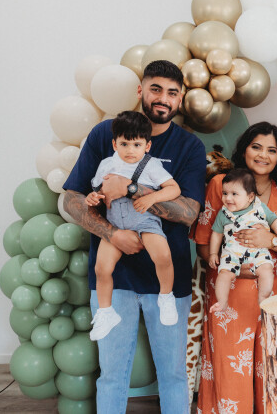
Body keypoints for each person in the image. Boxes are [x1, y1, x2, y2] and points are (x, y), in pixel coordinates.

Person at [63, 60, 206, 414]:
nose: (163, 98)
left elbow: (189, 212)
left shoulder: (189, 146)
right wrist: (114, 235)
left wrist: (131, 189)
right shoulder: (105, 134)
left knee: (174, 375)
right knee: (111, 376)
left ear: (180, 98)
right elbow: (72, 198)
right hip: (116, 279)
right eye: (156, 89)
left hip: (168, 283)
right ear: (141, 90)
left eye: (172, 92)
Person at [194, 122, 277, 414]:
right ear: (244, 150)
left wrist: (271, 241)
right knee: (231, 374)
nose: (263, 155)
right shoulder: (222, 185)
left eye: (272, 150)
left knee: (275, 373)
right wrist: (239, 270)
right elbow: (204, 244)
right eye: (256, 147)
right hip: (230, 296)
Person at [86, 111, 181, 340]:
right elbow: (98, 190)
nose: (130, 150)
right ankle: (106, 312)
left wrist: (152, 197)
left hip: (144, 220)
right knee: (101, 268)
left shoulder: (151, 165)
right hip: (115, 224)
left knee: (163, 255)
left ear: (147, 146)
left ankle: (166, 296)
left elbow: (174, 189)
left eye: (137, 145)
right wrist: (93, 197)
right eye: (124, 144)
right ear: (114, 144)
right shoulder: (107, 164)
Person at [208, 168, 277, 312]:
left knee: (266, 269)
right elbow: (217, 234)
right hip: (232, 254)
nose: (228, 198)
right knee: (224, 275)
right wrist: (213, 253)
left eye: (234, 194)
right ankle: (222, 301)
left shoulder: (259, 207)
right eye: (225, 193)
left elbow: (273, 219)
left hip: (257, 252)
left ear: (250, 197)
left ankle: (263, 297)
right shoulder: (224, 213)